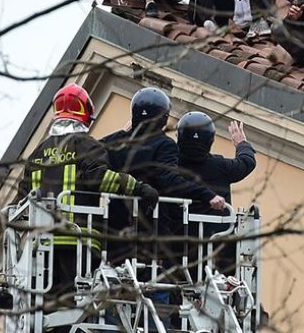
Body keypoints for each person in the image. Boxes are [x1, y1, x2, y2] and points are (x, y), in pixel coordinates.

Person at [17, 83, 159, 316]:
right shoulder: (85, 145)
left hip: (41, 245)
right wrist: (139, 188)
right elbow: (99, 178)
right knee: (80, 305)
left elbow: (23, 197)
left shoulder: (38, 153)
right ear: (84, 114)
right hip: (79, 241)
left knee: (50, 308)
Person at [101, 87, 226, 289]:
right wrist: (207, 195)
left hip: (114, 230)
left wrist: (121, 134)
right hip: (151, 231)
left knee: (115, 289)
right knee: (156, 292)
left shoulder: (113, 142)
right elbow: (169, 179)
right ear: (162, 117)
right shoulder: (164, 145)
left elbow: (91, 160)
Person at [177, 113, 257, 275]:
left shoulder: (168, 166)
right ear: (210, 141)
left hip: (175, 252)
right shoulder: (220, 167)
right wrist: (241, 143)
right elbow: (247, 162)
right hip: (216, 260)